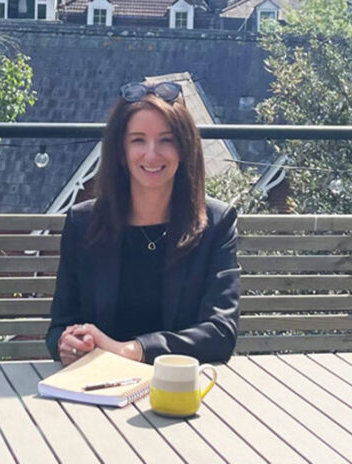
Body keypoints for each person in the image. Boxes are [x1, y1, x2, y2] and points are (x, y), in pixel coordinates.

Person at [46, 82, 240, 366]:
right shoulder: (82, 222)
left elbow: (221, 334)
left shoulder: (217, 223)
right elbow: (60, 327)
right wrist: (68, 344)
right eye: (138, 140)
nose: (152, 154)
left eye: (166, 140)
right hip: (99, 380)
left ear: (184, 147)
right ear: (121, 150)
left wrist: (134, 350)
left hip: (180, 384)